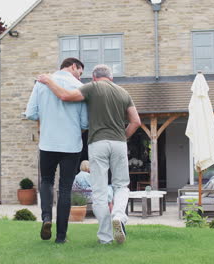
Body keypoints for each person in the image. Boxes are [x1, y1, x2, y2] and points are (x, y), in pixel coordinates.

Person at [38, 64, 141, 244]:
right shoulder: (123, 93)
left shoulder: (92, 88)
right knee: (121, 186)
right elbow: (136, 122)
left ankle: (105, 238)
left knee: (100, 191)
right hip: (118, 143)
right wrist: (122, 137)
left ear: (94, 77)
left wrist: (48, 81)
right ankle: (118, 215)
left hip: (97, 143)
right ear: (111, 78)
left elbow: (64, 96)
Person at [25, 58, 88, 244]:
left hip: (47, 143)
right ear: (74, 66)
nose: (80, 76)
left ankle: (46, 218)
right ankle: (61, 237)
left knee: (46, 181)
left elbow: (31, 113)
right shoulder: (81, 88)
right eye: (80, 71)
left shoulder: (41, 83)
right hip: (71, 145)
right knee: (65, 188)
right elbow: (85, 123)